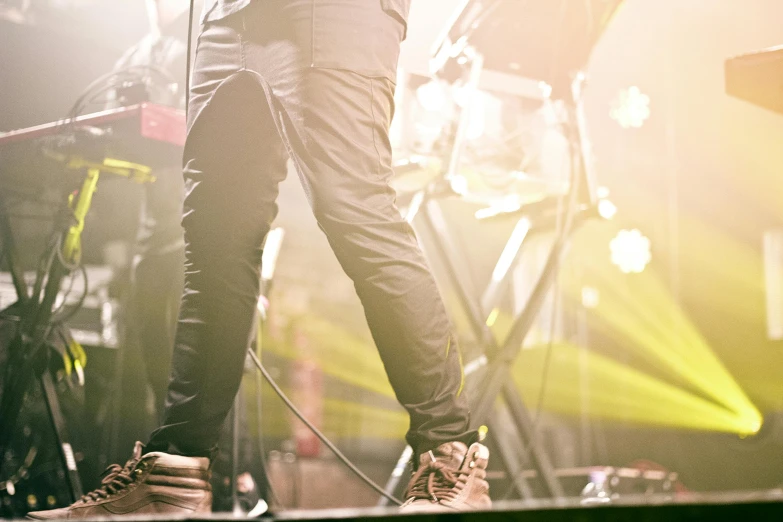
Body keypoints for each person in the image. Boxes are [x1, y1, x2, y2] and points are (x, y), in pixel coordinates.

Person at [28, 0, 491, 517]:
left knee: (358, 216)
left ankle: (450, 457)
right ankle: (174, 476)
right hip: (228, 18)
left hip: (335, 14)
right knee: (214, 244)